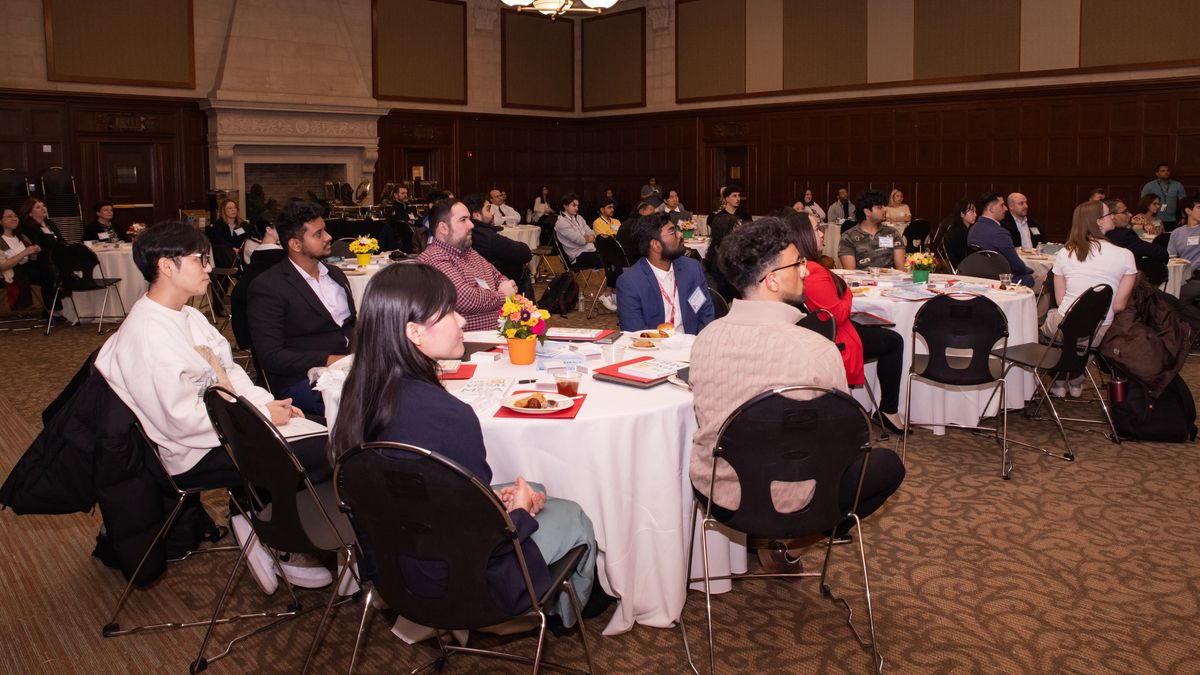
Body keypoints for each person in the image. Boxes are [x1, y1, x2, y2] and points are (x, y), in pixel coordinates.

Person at [326, 262, 597, 624]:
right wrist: (516, 512)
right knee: (575, 516)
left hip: (391, 562)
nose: (463, 321)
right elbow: (484, 537)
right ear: (415, 333)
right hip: (463, 576)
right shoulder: (447, 414)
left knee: (534, 487)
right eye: (449, 312)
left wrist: (501, 499)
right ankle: (567, 617)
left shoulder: (355, 395)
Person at [94, 220, 332, 594]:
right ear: (166, 266)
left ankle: (261, 519)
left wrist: (270, 403)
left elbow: (231, 375)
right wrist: (264, 418)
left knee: (326, 430)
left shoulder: (188, 315)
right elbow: (179, 420)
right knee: (328, 450)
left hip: (230, 428)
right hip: (192, 451)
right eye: (199, 259)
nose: (209, 267)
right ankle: (279, 535)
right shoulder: (146, 334)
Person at [689, 217, 905, 570]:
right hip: (795, 504)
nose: (806, 271)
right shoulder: (816, 349)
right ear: (772, 279)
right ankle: (793, 548)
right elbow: (843, 444)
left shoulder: (706, 338)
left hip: (719, 494)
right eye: (797, 263)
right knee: (887, 466)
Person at [790, 213, 906, 433]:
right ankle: (889, 410)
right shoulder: (812, 272)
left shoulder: (803, 266)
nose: (822, 232)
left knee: (881, 332)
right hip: (834, 339)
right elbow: (838, 314)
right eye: (817, 228)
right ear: (803, 235)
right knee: (894, 341)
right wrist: (848, 295)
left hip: (824, 333)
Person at [248, 201, 356, 415]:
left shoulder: (335, 275)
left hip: (352, 367)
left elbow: (351, 325)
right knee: (371, 400)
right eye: (318, 234)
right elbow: (270, 356)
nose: (328, 237)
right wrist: (330, 359)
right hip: (302, 379)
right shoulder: (269, 286)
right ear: (295, 245)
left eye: (324, 230)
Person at [1044, 200, 1137, 397]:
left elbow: (1061, 301)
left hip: (1064, 326)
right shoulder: (1125, 255)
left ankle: (1059, 379)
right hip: (1099, 331)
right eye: (1107, 214)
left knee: (1048, 321)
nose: (1112, 215)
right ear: (1098, 222)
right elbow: (1119, 305)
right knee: (1088, 331)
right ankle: (1077, 378)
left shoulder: (1065, 252)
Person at [417, 198, 518, 330]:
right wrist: (503, 295)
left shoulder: (468, 252)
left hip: (493, 337)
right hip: (467, 344)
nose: (471, 225)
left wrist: (505, 288)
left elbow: (498, 277)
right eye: (463, 220)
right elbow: (467, 299)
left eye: (469, 219)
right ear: (443, 228)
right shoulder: (433, 259)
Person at [616, 213, 714, 335]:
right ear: (656, 245)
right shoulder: (630, 282)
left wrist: (697, 344)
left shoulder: (692, 269)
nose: (680, 234)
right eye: (672, 232)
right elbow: (636, 332)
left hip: (691, 346)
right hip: (654, 350)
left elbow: (705, 311)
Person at [555, 193, 617, 310]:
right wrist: (586, 238)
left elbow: (592, 233)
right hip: (577, 257)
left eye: (577, 205)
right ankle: (607, 294)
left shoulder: (578, 218)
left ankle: (613, 292)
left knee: (615, 258)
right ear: (565, 206)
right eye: (574, 205)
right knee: (612, 261)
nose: (577, 208)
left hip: (590, 251)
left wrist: (587, 237)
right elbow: (580, 240)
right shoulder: (561, 223)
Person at [463, 193, 533, 297]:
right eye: (488, 209)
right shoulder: (485, 236)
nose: (492, 213)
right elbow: (525, 253)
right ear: (476, 215)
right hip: (497, 286)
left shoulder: (471, 233)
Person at [966, 192, 1035, 287]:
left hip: (977, 277)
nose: (1006, 209)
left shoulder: (973, 228)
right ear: (991, 208)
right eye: (1002, 205)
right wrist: (1029, 270)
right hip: (998, 280)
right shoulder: (1000, 233)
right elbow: (1017, 266)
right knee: (1034, 279)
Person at [17, 196, 66, 323]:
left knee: (65, 267)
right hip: (37, 262)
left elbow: (61, 240)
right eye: (38, 207)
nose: (43, 208)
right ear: (30, 212)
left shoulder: (50, 223)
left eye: (43, 205)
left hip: (54, 259)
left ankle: (59, 306)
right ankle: (51, 309)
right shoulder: (29, 226)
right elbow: (37, 246)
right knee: (49, 272)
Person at [838, 190, 906, 270]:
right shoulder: (848, 237)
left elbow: (901, 268)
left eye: (884, 206)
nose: (885, 209)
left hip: (890, 281)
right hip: (861, 281)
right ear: (867, 212)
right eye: (880, 207)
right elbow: (850, 273)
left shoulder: (892, 233)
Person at [0, 207, 44, 310]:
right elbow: (3, 266)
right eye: (9, 216)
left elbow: (32, 259)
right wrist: (25, 252)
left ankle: (51, 307)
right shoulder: (1, 241)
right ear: (1, 221)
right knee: (22, 272)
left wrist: (34, 252)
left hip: (26, 270)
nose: (14, 219)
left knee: (46, 271)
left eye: (16, 216)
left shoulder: (22, 237)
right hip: (7, 273)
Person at [1168, 196, 1200, 329]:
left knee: (1178, 298)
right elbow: (1171, 256)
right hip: (1181, 276)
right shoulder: (1177, 233)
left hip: (1196, 276)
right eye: (1199, 207)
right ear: (1188, 211)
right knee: (1167, 297)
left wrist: (1191, 269)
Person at [1104, 198, 1167, 264]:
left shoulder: (1096, 233)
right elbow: (1160, 253)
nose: (1130, 215)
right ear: (1112, 216)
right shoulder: (1124, 235)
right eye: (1125, 212)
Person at [704, 210, 742, 302]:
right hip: (731, 303)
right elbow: (733, 289)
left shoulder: (716, 249)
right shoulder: (724, 257)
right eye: (737, 228)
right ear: (726, 232)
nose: (741, 231)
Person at [1141, 163, 1187, 231]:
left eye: (1168, 170)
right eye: (1163, 171)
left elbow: (1184, 202)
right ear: (1157, 173)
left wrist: (1184, 217)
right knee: (1156, 239)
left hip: (1173, 220)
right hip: (1155, 219)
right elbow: (1143, 202)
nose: (1166, 172)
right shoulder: (1149, 186)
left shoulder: (1178, 185)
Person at [617, 200, 656, 265]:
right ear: (642, 211)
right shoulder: (640, 224)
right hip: (634, 261)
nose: (653, 217)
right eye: (651, 215)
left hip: (623, 259)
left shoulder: (628, 221)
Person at [940, 200, 976, 269]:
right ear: (962, 214)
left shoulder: (964, 230)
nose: (975, 214)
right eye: (972, 211)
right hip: (960, 269)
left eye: (975, 211)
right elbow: (964, 257)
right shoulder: (957, 233)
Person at [386, 183, 418, 254]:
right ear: (395, 195)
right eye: (403, 193)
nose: (406, 195)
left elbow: (418, 219)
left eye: (406, 193)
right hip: (400, 241)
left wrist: (412, 221)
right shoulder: (393, 209)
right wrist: (410, 221)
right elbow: (399, 222)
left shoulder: (409, 207)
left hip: (412, 237)